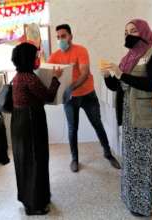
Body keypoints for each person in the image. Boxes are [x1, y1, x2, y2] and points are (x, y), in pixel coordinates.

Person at [101, 19, 152, 217]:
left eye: (134, 31)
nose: (129, 35)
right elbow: (118, 86)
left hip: (147, 119)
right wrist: (107, 77)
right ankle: (132, 201)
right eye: (126, 31)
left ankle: (148, 206)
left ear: (144, 32)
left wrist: (121, 75)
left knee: (147, 163)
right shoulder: (128, 57)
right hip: (129, 119)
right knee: (131, 161)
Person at [48, 24, 120, 173]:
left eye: (63, 36)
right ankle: (74, 159)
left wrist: (70, 88)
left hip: (88, 95)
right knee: (72, 129)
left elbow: (85, 73)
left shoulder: (81, 50)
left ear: (70, 36)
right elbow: (46, 72)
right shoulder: (55, 56)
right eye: (58, 37)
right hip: (69, 99)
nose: (60, 39)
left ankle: (108, 153)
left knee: (97, 124)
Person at [11, 42, 62, 215]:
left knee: (24, 161)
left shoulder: (17, 76)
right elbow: (48, 96)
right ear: (28, 58)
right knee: (36, 160)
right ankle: (36, 205)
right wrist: (56, 78)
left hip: (19, 121)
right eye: (35, 56)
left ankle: (29, 199)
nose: (37, 58)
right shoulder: (29, 78)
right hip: (31, 122)